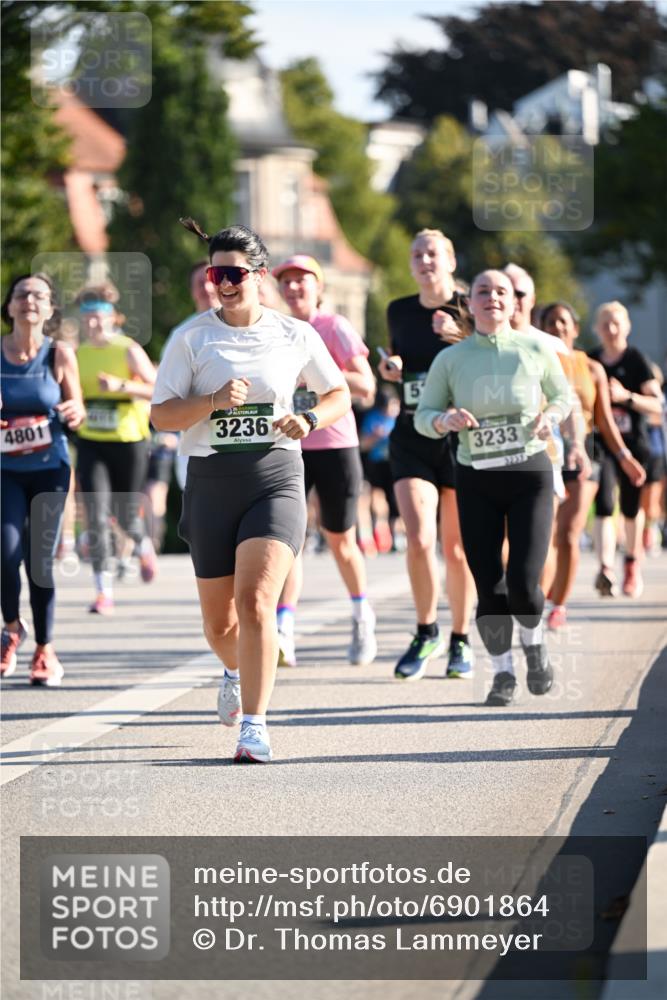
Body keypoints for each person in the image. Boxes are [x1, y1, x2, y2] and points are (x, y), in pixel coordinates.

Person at [151, 220, 350, 763]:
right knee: (220, 625)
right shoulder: (191, 338)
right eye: (216, 273)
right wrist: (213, 401)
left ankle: (255, 728)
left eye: (235, 273)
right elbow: (162, 415)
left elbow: (338, 394)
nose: (224, 283)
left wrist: (308, 422)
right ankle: (234, 669)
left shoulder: (294, 334)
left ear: (259, 276)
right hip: (211, 481)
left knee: (257, 601)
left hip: (275, 477)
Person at [415, 269, 572, 707]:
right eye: (482, 291)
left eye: (501, 291)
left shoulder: (536, 347)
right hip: (476, 478)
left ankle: (535, 646)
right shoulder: (451, 359)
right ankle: (502, 674)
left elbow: (564, 397)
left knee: (523, 582)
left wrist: (551, 418)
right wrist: (444, 420)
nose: (492, 298)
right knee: (490, 585)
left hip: (530, 476)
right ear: (472, 302)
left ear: (514, 301)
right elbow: (422, 415)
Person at [378, 228, 476, 681]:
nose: (424, 260)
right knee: (418, 540)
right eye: (416, 254)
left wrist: (459, 334)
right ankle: (426, 630)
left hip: (460, 439)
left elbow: (489, 361)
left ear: (450, 259)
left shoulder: (471, 305)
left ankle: (460, 638)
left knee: (456, 549)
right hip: (412, 434)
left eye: (432, 253)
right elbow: (398, 363)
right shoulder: (398, 310)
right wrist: (390, 369)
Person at [270, 254, 377, 668]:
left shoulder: (334, 327)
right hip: (288, 447)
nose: (294, 288)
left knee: (340, 540)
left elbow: (365, 385)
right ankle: (284, 631)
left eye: (302, 281)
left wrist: (317, 371)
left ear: (319, 288)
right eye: (288, 282)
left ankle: (361, 616)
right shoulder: (276, 331)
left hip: (334, 444)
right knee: (288, 541)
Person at [1, 272, 85, 685]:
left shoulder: (59, 354)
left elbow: (78, 409)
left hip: (50, 469)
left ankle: (45, 649)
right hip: (5, 472)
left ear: (50, 309)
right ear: (10, 306)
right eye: (22, 294)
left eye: (39, 295)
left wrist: (74, 414)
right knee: (5, 552)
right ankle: (13, 628)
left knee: (39, 562)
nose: (29, 300)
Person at [540, 302, 646, 628]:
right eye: (550, 322)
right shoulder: (533, 361)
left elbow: (604, 420)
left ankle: (558, 604)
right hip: (543, 453)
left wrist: (625, 457)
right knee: (544, 534)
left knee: (569, 532)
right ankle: (540, 595)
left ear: (575, 328)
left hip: (585, 451)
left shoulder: (591, 367)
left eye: (563, 321)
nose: (558, 327)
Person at [75, 283, 157, 613]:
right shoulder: (78, 354)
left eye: (99, 317)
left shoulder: (128, 349)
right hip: (91, 441)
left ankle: (143, 543)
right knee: (95, 515)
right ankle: (103, 591)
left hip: (129, 441)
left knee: (124, 514)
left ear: (112, 319)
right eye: (88, 318)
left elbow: (156, 388)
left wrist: (122, 386)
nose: (93, 324)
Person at [588, 301, 663, 597]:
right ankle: (605, 568)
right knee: (605, 503)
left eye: (616, 323)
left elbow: (657, 404)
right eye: (605, 323)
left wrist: (626, 397)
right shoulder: (591, 360)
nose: (611, 329)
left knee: (631, 508)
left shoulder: (636, 360)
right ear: (596, 328)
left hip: (634, 443)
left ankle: (632, 565)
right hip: (601, 443)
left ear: (627, 326)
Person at [145, 262, 221, 549]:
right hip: (194, 441)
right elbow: (165, 395)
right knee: (204, 519)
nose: (206, 288)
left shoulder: (246, 327)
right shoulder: (182, 334)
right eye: (198, 284)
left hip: (241, 439)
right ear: (192, 292)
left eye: (210, 280)